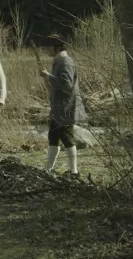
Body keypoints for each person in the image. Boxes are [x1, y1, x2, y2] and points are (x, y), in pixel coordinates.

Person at [36, 35, 85, 176]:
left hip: (66, 107)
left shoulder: (66, 62)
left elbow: (66, 84)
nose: (47, 50)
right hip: (58, 107)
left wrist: (49, 76)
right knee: (53, 137)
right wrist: (47, 77)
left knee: (67, 137)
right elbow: (56, 84)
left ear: (57, 48)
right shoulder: (58, 61)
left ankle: (74, 171)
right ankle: (48, 168)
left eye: (49, 48)